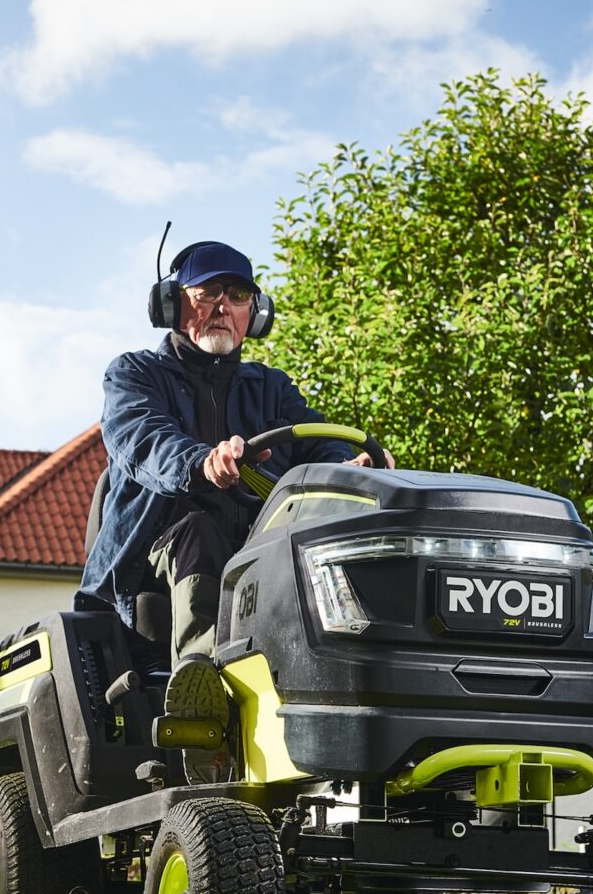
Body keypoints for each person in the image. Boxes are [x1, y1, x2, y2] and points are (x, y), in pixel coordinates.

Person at [79, 240, 391, 781]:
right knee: (200, 526)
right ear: (174, 305)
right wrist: (202, 462)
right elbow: (144, 442)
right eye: (209, 293)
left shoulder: (269, 388)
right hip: (148, 556)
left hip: (252, 549)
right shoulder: (133, 375)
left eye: (239, 294)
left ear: (256, 313)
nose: (224, 306)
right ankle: (201, 687)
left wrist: (354, 462)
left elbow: (319, 442)